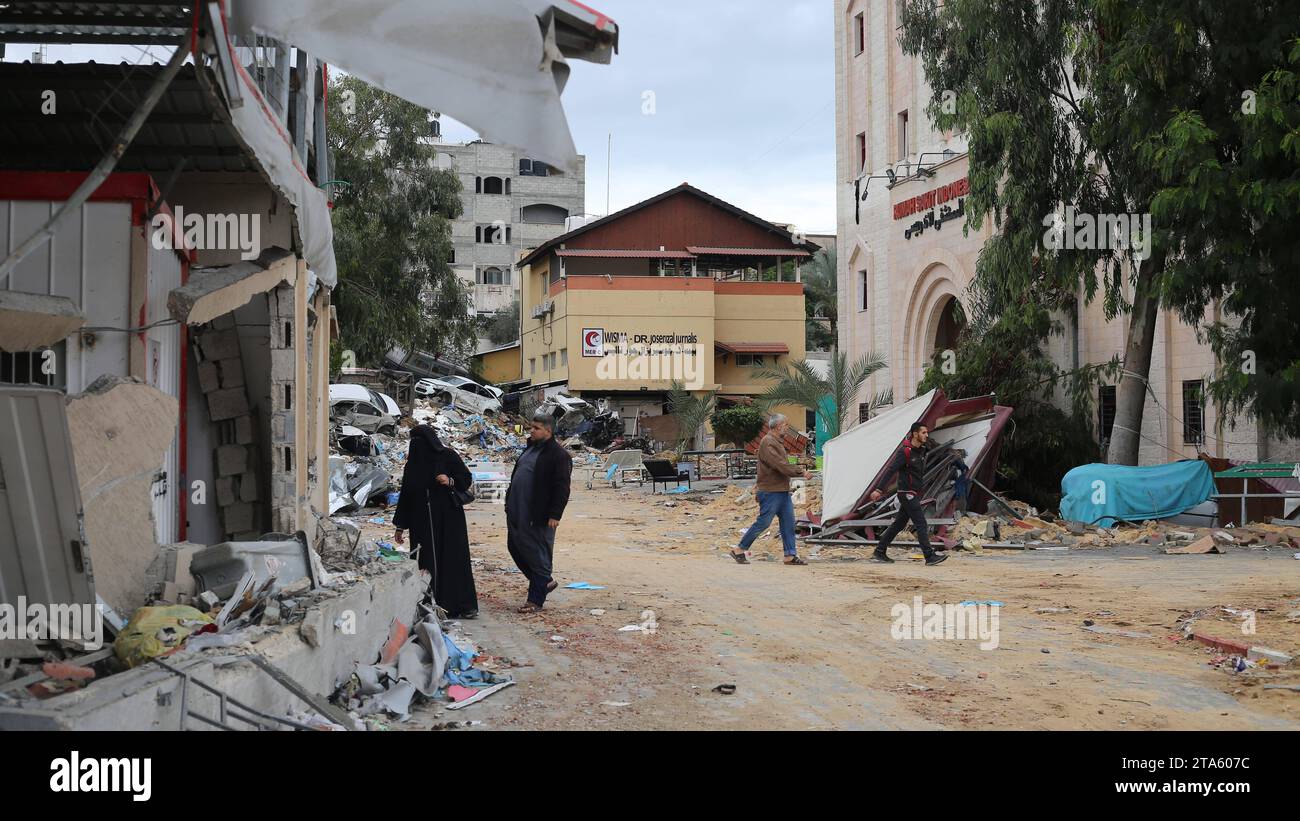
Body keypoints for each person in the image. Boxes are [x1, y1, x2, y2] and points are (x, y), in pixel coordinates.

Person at [393, 425, 479, 617]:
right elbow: (406, 495)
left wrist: (450, 481)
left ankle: (459, 605)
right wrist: (400, 526)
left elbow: (465, 478)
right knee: (425, 562)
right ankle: (428, 603)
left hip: (449, 520)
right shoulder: (413, 463)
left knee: (452, 560)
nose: (416, 446)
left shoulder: (448, 456)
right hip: (421, 522)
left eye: (419, 442)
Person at [505, 410, 574, 612]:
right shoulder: (529, 450)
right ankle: (545, 582)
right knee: (515, 548)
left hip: (539, 514)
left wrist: (555, 514)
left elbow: (562, 487)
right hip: (517, 511)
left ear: (548, 430)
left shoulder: (558, 455)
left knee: (539, 555)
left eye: (536, 428)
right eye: (531, 427)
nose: (531, 431)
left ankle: (535, 601)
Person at [730, 413, 810, 565]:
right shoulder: (768, 442)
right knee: (764, 523)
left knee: (788, 522)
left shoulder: (776, 442)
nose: (787, 428)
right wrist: (801, 472)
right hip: (770, 491)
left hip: (781, 490)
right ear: (778, 426)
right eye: (786, 425)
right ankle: (739, 549)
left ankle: (790, 555)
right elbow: (780, 465)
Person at [868, 422, 948, 566]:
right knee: (921, 523)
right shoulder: (905, 452)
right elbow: (890, 470)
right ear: (915, 434)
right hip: (906, 493)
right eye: (923, 433)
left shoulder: (921, 450)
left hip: (914, 493)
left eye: (926, 432)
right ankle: (929, 556)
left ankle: (880, 551)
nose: (926, 435)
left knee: (899, 524)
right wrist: (879, 489)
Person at [952, 448, 971, 516]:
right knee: (961, 494)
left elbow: (964, 469)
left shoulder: (960, 461)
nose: (958, 454)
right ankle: (959, 511)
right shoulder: (958, 461)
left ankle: (960, 511)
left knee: (960, 495)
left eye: (959, 453)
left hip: (963, 481)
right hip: (963, 481)